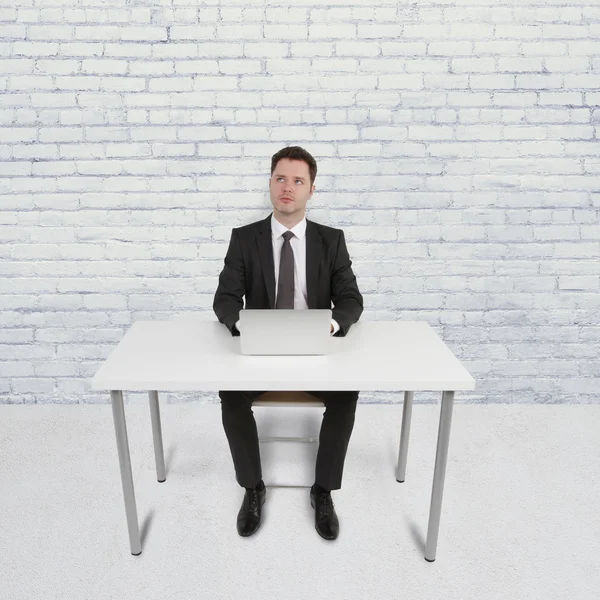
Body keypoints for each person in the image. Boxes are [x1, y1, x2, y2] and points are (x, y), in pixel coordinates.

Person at [213, 145, 363, 540]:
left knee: (346, 395)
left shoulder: (332, 241)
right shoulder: (245, 239)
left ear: (311, 189)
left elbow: (350, 299)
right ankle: (253, 487)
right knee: (231, 394)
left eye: (298, 181)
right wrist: (243, 326)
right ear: (270, 183)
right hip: (260, 350)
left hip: (315, 351)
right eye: (281, 178)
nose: (288, 187)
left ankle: (323, 490)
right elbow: (225, 298)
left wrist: (330, 326)